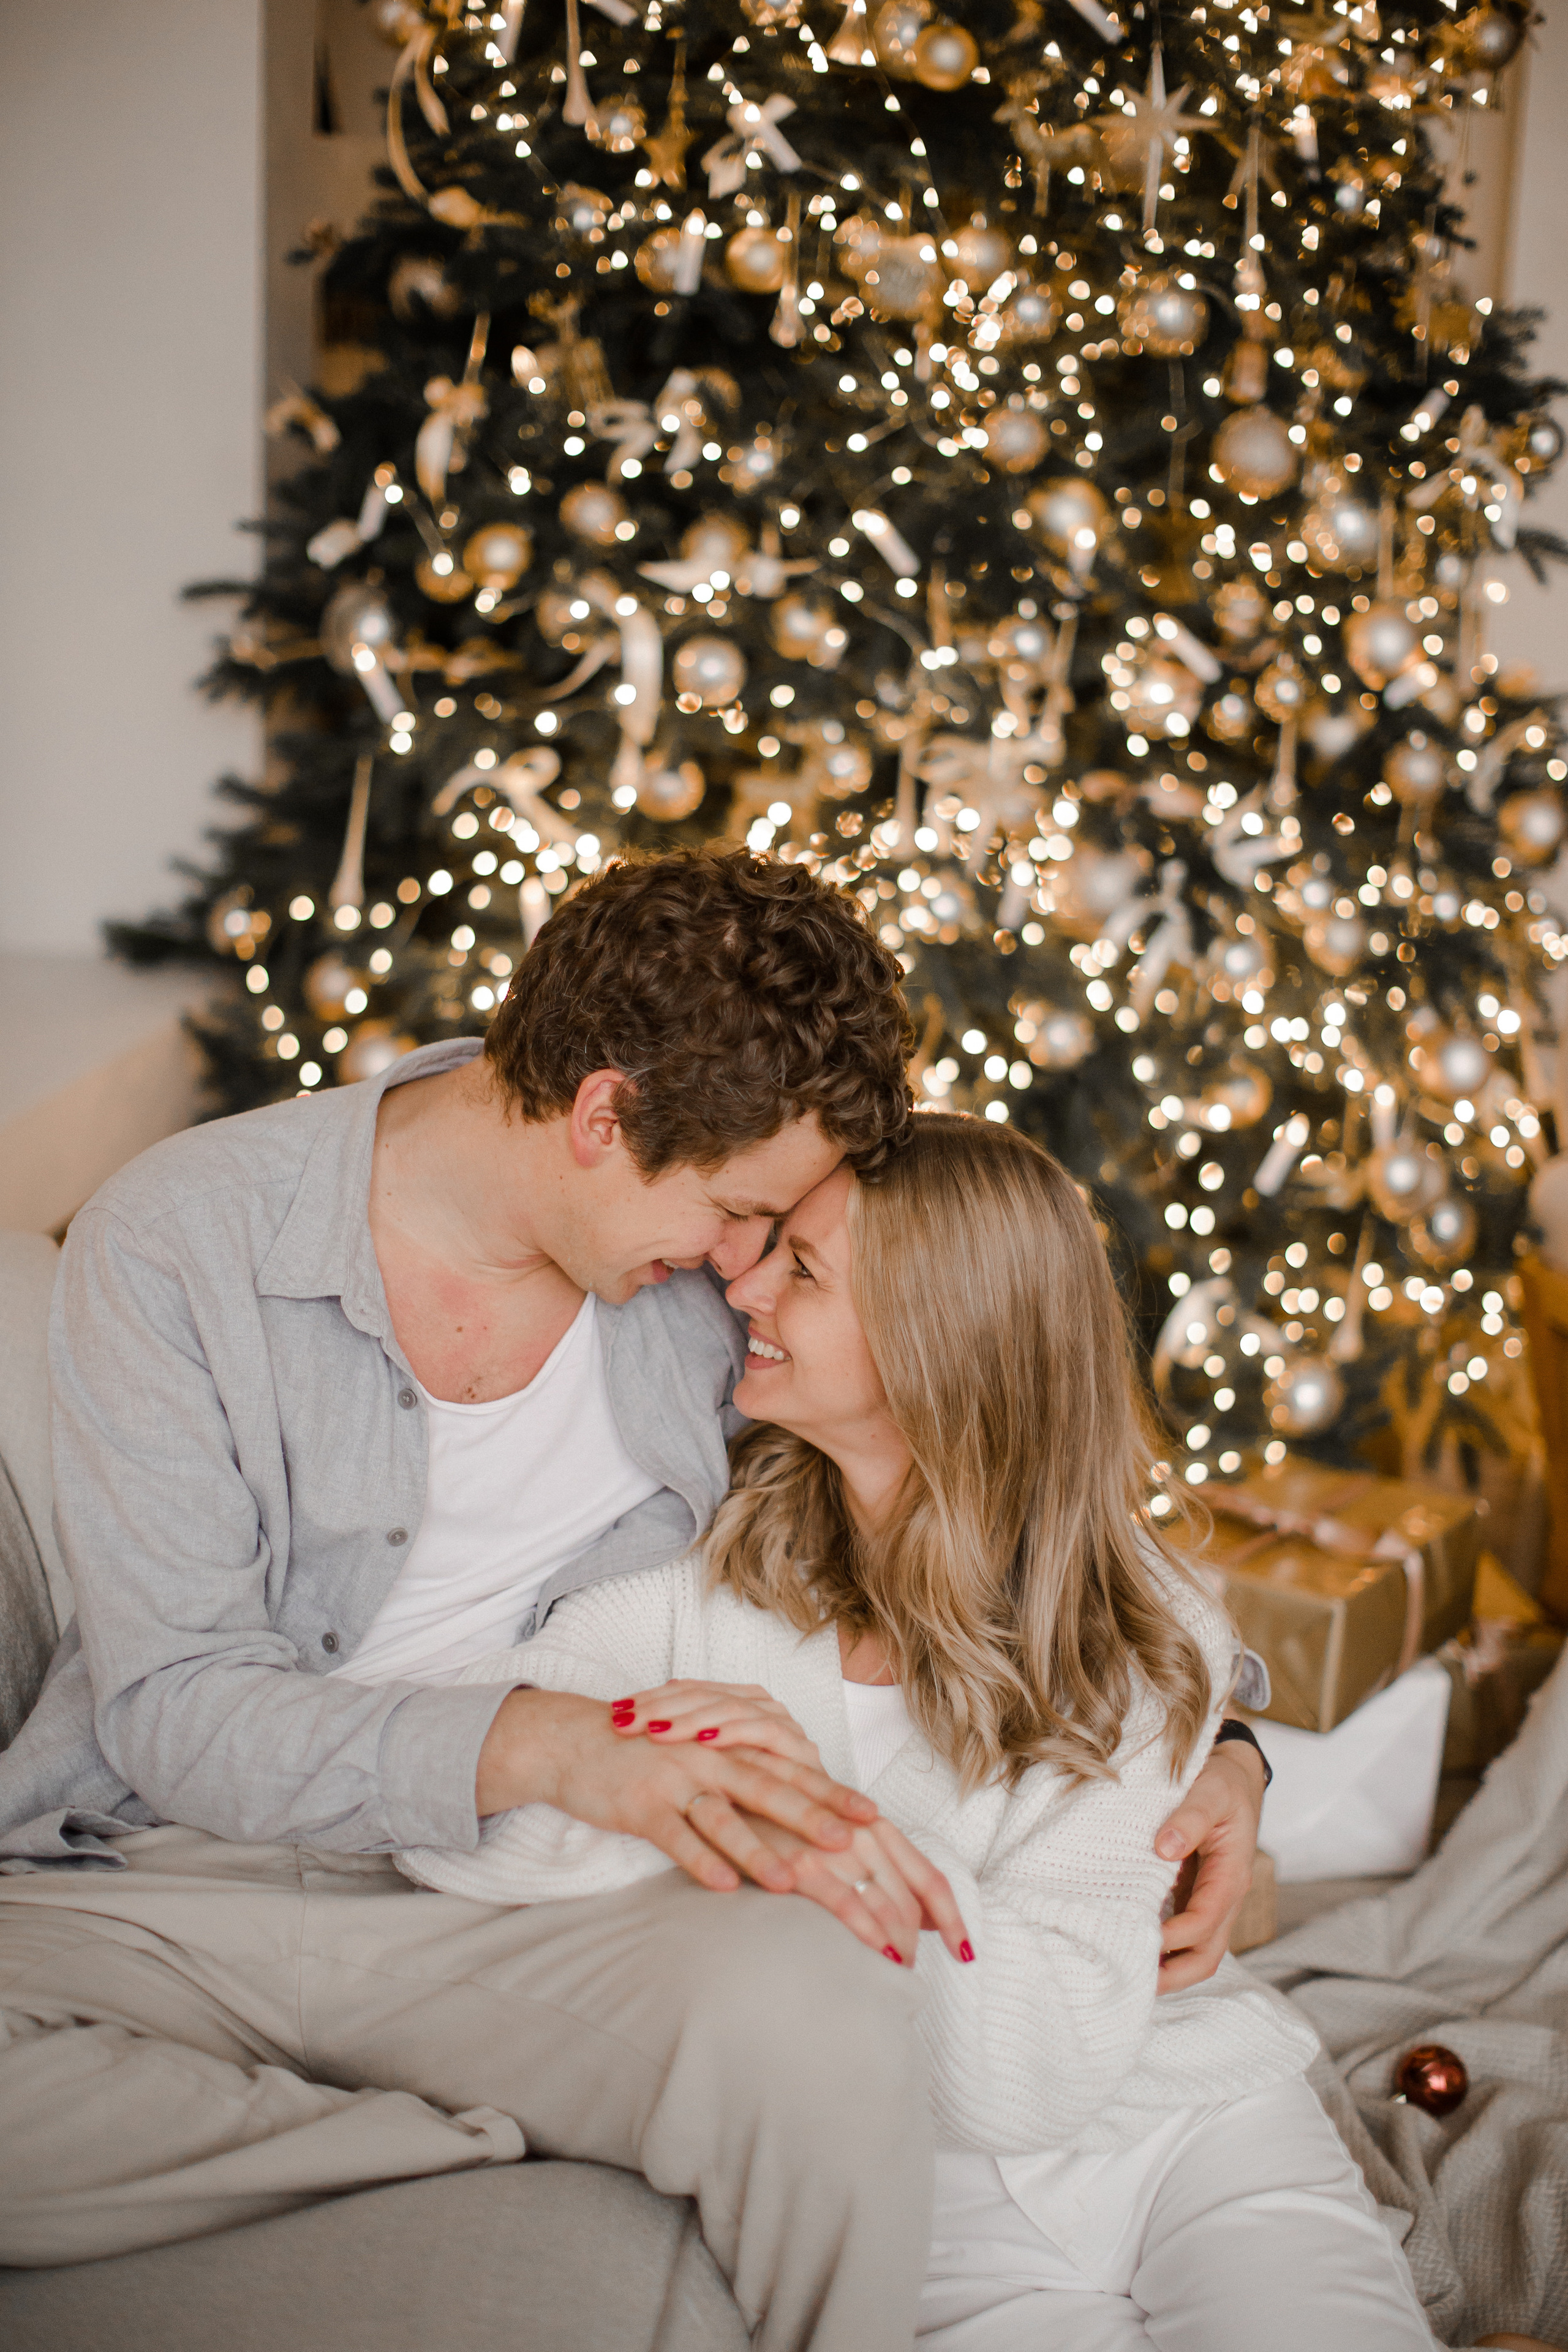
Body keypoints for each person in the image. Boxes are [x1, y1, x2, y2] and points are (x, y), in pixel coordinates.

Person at [0, 853, 1264, 2350]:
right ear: (601, 1116)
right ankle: (444, 2152)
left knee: (821, 1996)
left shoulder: (696, 1299)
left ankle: (412, 2141)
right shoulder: (183, 1239)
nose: (742, 1268)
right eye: (734, 1210)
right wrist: (547, 1745)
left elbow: (981, 1467)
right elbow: (175, 1710)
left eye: (770, 1235)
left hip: (505, 1908)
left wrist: (1229, 1739)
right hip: (166, 1876)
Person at [395, 1115, 1437, 2352]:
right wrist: (683, 1790)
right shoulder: (695, 1571)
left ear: (932, 1341)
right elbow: (466, 1807)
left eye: (801, 1269)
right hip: (917, 2202)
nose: (743, 1286)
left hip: (1185, 2126)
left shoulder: (1145, 1635)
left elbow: (1039, 2062)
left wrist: (797, 1816)